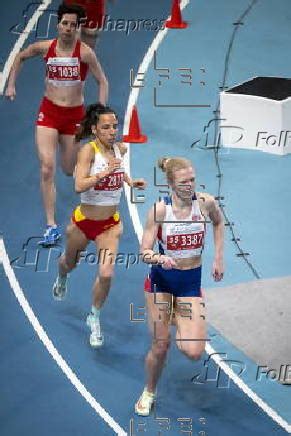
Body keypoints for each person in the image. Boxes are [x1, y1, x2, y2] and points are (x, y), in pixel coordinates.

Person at [5, 2, 108, 246]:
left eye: (73, 25)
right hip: (49, 114)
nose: (68, 28)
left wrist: (100, 111)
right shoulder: (45, 47)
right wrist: (11, 84)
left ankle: (91, 165)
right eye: (65, 24)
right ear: (58, 24)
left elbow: (102, 81)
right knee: (47, 168)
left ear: (77, 28)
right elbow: (20, 56)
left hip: (74, 117)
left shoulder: (84, 53)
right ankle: (50, 226)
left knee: (69, 170)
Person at [135, 157, 224, 416]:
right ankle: (149, 391)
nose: (190, 185)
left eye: (193, 180)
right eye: (184, 181)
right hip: (160, 284)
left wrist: (218, 257)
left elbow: (218, 223)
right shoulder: (160, 211)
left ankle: (176, 315)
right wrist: (159, 257)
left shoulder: (206, 203)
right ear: (171, 183)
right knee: (161, 345)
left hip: (189, 284)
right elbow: (144, 251)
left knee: (194, 351)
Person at [52, 103, 146, 347]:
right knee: (68, 263)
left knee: (106, 273)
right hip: (83, 223)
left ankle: (94, 317)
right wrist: (103, 174)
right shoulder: (88, 151)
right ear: (94, 129)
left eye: (114, 126)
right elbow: (79, 185)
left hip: (110, 225)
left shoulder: (120, 149)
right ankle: (62, 277)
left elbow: (119, 169)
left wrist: (130, 181)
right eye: (106, 127)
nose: (112, 130)